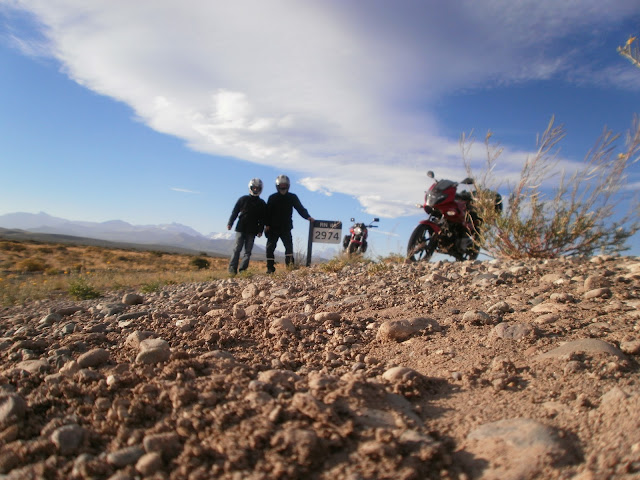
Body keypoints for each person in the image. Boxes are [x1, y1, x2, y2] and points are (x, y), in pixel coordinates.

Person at [265, 174, 314, 273]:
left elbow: (300, 208)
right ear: (277, 186)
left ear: (288, 185)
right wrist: (266, 225)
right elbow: (267, 213)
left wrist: (308, 217)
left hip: (286, 228)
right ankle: (270, 269)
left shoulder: (292, 197)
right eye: (281, 185)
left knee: (289, 248)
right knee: (270, 249)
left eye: (285, 185)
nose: (283, 187)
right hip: (273, 228)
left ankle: (290, 268)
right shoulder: (272, 197)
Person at [227, 178, 267, 275]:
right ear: (250, 188)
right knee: (236, 249)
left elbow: (263, 219)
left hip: (252, 230)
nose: (255, 190)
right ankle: (232, 270)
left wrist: (260, 230)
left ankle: (242, 271)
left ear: (260, 189)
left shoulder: (262, 203)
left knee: (248, 252)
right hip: (241, 228)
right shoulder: (243, 199)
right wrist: (230, 223)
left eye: (257, 188)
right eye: (254, 188)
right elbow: (235, 212)